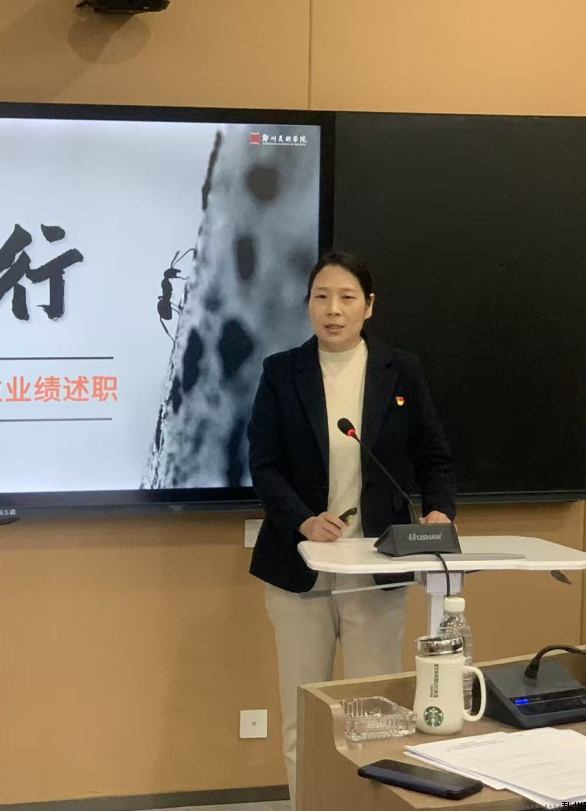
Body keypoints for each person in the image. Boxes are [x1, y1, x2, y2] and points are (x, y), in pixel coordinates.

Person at [247, 251, 456, 800]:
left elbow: (434, 456)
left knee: (375, 716)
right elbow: (264, 465)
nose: (333, 310)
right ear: (307, 305)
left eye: (346, 298)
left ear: (369, 306)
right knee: (304, 712)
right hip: (301, 568)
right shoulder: (281, 372)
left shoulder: (400, 369)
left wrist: (440, 510)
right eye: (321, 297)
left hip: (377, 567)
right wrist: (302, 520)